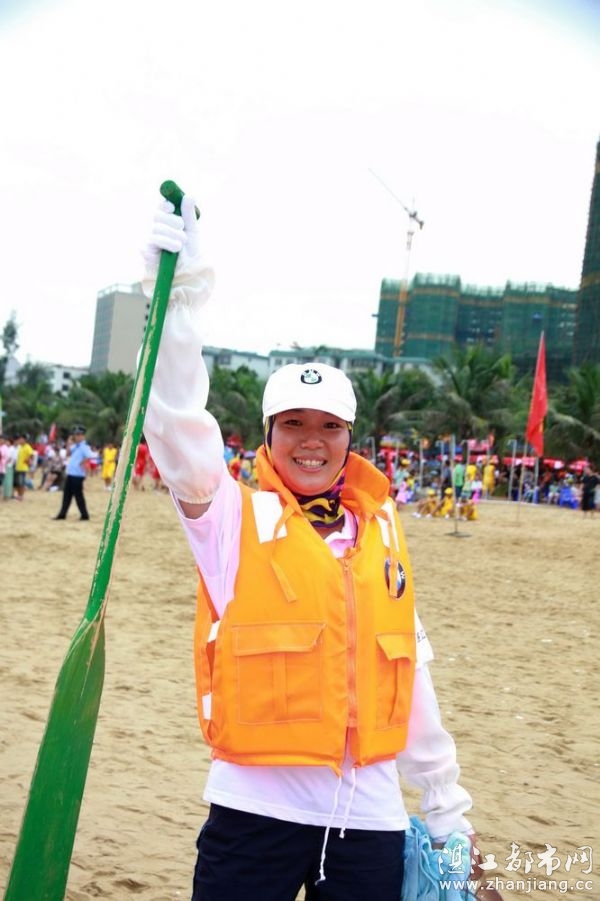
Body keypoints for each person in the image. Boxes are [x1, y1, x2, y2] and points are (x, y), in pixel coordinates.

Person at [141, 192, 479, 901]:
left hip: (370, 821)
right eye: (292, 423)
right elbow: (175, 422)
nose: (311, 441)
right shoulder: (231, 518)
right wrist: (176, 302)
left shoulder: (382, 533)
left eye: (328, 426)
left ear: (350, 438)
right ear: (268, 436)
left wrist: (448, 816)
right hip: (253, 815)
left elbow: (409, 677)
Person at [52, 425, 94, 520]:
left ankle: (84, 515)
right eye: (76, 435)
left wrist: (82, 462)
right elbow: (68, 453)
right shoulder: (76, 446)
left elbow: (90, 456)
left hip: (78, 474)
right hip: (71, 473)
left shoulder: (84, 446)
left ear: (83, 436)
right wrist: (68, 442)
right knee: (67, 495)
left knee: (78, 495)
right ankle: (62, 514)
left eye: (79, 435)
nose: (77, 437)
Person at [14, 434, 34, 500]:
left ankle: (21, 496)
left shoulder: (27, 446)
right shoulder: (20, 447)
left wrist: (28, 461)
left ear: (25, 440)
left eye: (21, 439)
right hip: (18, 467)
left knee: (21, 482)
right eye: (19, 439)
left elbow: (31, 455)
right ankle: (19, 495)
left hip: (23, 468)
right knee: (18, 482)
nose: (20, 440)